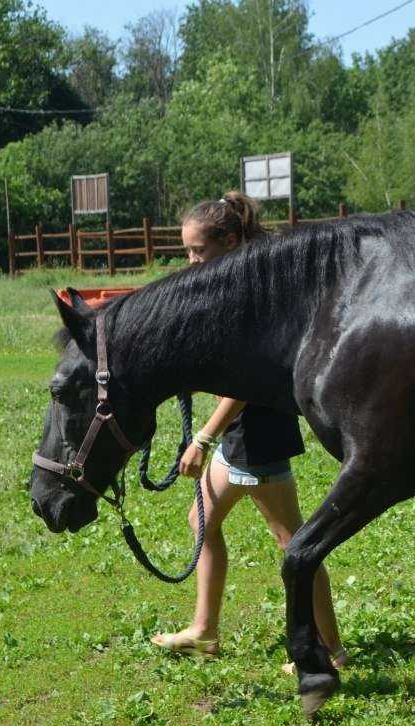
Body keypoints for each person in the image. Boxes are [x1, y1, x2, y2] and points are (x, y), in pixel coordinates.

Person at [149, 191, 348, 671]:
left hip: (256, 433)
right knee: (203, 523)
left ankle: (333, 652)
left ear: (232, 240)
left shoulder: (251, 291)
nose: (192, 261)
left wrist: (202, 437)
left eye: (199, 251)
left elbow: (243, 383)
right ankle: (204, 630)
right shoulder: (239, 280)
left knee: (295, 545)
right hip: (243, 434)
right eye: (187, 251)